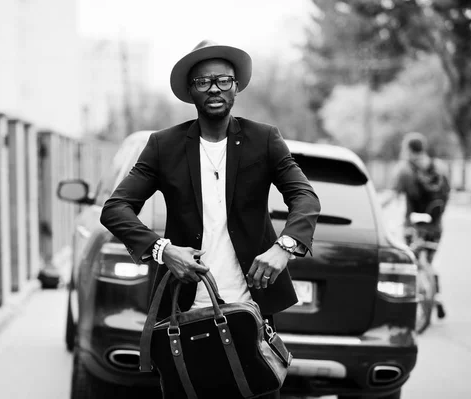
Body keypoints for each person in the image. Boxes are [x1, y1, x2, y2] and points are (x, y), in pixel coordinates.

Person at [100, 40, 321, 399]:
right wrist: (163, 250)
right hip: (183, 316)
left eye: (223, 80)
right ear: (191, 91)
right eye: (204, 82)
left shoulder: (263, 140)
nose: (215, 88)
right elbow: (116, 208)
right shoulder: (163, 145)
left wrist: (285, 247)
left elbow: (304, 196)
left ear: (236, 86)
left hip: (250, 311)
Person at [383, 132, 450, 249]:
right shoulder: (441, 167)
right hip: (435, 227)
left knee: (414, 264)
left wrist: (374, 207)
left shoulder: (404, 170)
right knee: (425, 263)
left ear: (408, 149)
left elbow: (391, 195)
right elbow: (448, 193)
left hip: (412, 228)